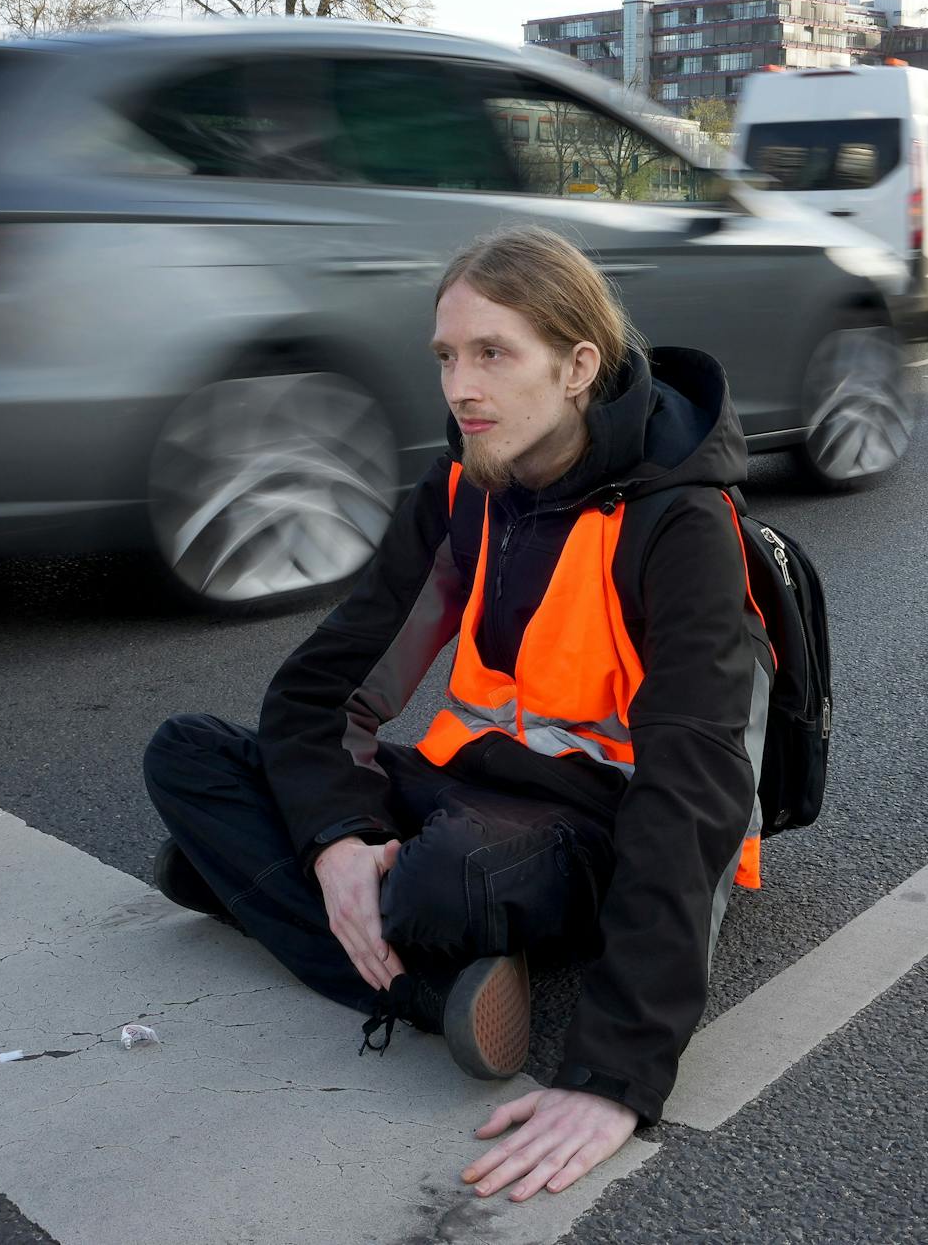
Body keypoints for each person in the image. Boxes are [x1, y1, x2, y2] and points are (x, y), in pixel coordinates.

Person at [143, 226, 772, 1203]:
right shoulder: (458, 493)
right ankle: (431, 979)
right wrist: (338, 843)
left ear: (575, 366)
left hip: (606, 820)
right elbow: (318, 693)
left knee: (436, 880)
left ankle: (264, 890)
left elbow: (692, 787)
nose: (458, 387)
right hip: (469, 784)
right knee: (184, 753)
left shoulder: (676, 521)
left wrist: (613, 1076)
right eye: (445, 355)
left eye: (492, 353)